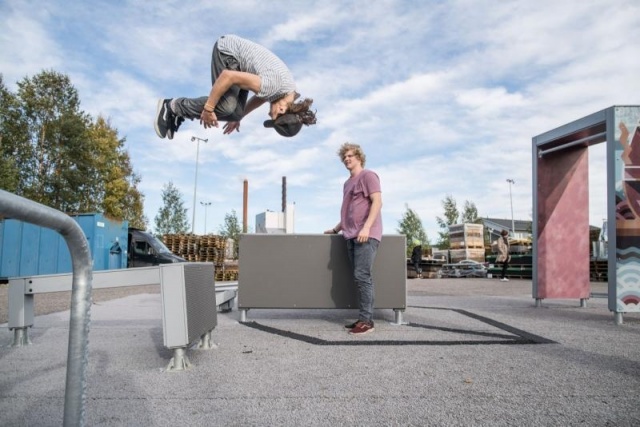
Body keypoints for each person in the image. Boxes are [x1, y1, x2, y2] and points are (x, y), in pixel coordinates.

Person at [154, 34, 317, 140]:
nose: (269, 113)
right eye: (272, 116)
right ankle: (171, 107)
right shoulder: (275, 85)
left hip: (241, 66)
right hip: (228, 52)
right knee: (226, 108)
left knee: (234, 113)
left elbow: (261, 97)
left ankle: (179, 111)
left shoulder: (287, 94)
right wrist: (208, 109)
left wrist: (238, 118)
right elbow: (228, 76)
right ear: (282, 110)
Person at [324, 143, 382, 335]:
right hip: (350, 235)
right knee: (359, 278)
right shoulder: (347, 183)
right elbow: (348, 211)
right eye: (344, 157)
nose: (347, 159)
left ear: (359, 157)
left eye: (350, 156)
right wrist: (335, 229)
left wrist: (366, 227)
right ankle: (363, 317)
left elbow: (377, 202)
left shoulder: (368, 176)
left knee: (363, 276)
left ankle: (367, 322)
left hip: (366, 235)